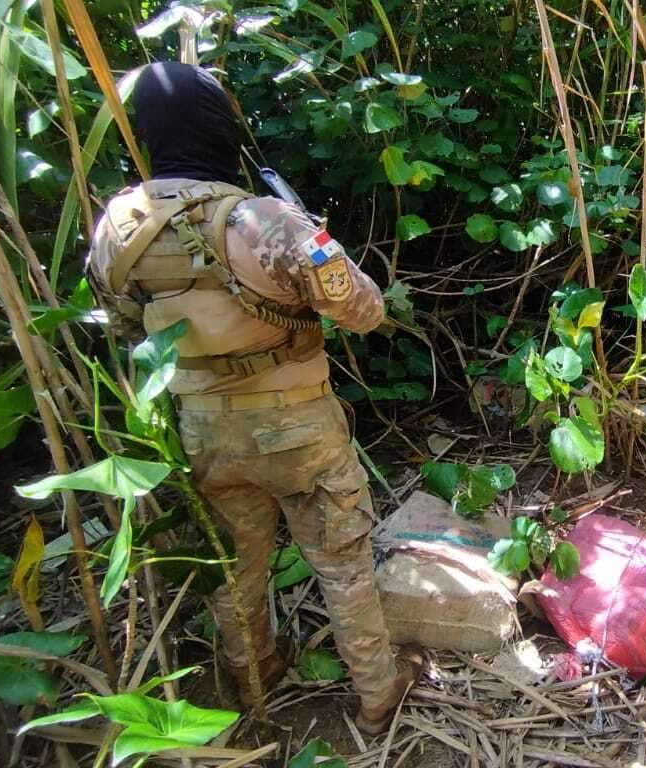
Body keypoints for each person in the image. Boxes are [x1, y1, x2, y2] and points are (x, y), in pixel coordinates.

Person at [86, 62, 421, 731]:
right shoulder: (260, 219)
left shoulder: (119, 225)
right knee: (342, 563)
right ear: (221, 125)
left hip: (204, 429)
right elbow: (365, 310)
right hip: (299, 428)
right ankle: (379, 694)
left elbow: (123, 326)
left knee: (238, 568)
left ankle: (254, 680)